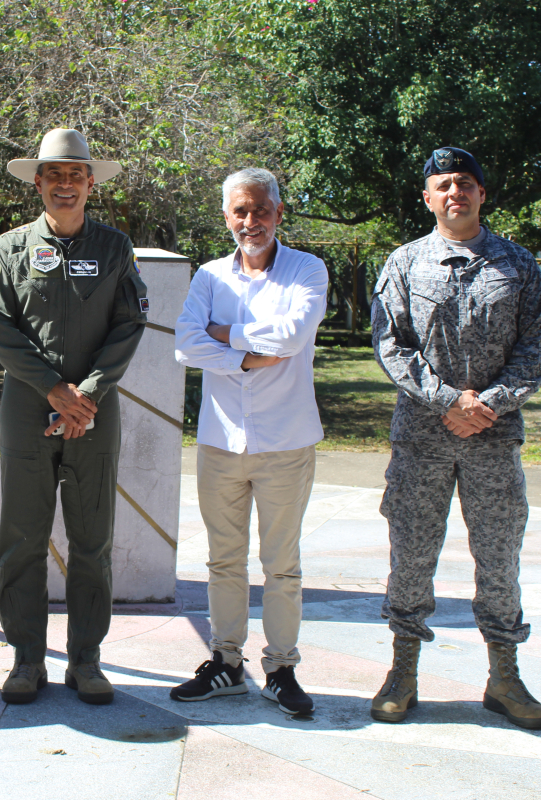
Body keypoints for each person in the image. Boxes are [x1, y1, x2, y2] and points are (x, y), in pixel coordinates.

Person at [370, 147, 541, 729]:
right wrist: (449, 400)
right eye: (444, 184)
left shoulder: (519, 265)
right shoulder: (403, 263)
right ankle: (403, 671)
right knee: (412, 555)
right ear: (427, 198)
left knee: (499, 555)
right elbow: (390, 345)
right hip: (423, 437)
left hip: (493, 439)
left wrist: (488, 404)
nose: (456, 192)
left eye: (466, 184)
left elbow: (537, 347)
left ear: (481, 195)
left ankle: (505, 676)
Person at [0, 128, 147, 705]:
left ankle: (86, 660)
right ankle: (27, 659)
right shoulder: (10, 248)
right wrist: (54, 389)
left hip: (95, 413)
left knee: (92, 538)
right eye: (55, 174)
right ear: (38, 182)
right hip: (28, 407)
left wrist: (88, 394)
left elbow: (129, 324)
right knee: (22, 536)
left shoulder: (115, 247)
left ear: (90, 183)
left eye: (76, 174)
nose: (66, 184)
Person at [170, 168, 326, 713]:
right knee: (223, 561)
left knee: (281, 564)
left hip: (286, 442)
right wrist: (245, 357)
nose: (251, 221)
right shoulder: (210, 277)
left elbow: (293, 335)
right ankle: (226, 663)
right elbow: (184, 346)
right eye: (240, 211)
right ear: (226, 216)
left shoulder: (307, 269)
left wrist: (224, 334)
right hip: (220, 442)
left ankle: (281, 668)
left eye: (261, 210)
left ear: (279, 213)